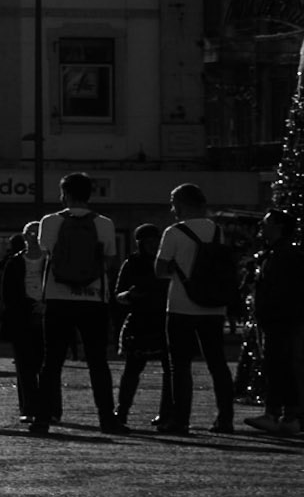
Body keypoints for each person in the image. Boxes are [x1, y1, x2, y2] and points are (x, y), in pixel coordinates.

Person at [33, 172, 124, 436]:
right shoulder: (104, 223)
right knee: (97, 362)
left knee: (52, 362)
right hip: (93, 299)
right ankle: (107, 419)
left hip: (57, 298)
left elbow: (44, 254)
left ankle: (42, 418)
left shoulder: (50, 221)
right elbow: (108, 260)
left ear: (65, 194)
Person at [155, 183, 237, 435]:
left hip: (181, 305)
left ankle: (180, 420)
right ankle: (225, 418)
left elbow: (159, 270)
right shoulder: (216, 230)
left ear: (181, 204)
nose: (172, 209)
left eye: (173, 203)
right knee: (217, 363)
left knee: (180, 365)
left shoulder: (173, 232)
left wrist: (179, 273)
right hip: (213, 306)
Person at [249, 208, 304, 437]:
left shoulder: (283, 255)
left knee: (279, 366)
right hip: (279, 318)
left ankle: (281, 414)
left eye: (266, 223)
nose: (261, 227)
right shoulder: (276, 253)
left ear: (279, 227)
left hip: (280, 319)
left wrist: (268, 311)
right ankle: (284, 415)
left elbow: (281, 290)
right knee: (280, 367)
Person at [112, 223, 169, 430]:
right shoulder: (133, 263)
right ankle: (122, 411)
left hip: (164, 319)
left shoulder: (167, 262)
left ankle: (166, 414)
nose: (153, 245)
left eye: (156, 241)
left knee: (169, 370)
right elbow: (118, 294)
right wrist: (130, 295)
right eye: (149, 242)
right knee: (132, 369)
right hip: (141, 319)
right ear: (140, 243)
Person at [0, 227, 47, 423]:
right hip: (22, 318)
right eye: (30, 233)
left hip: (46, 316)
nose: (34, 237)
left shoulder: (51, 260)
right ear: (24, 237)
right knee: (25, 367)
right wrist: (25, 306)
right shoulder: (15, 262)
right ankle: (29, 408)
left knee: (46, 366)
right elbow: (8, 293)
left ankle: (50, 408)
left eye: (38, 233)